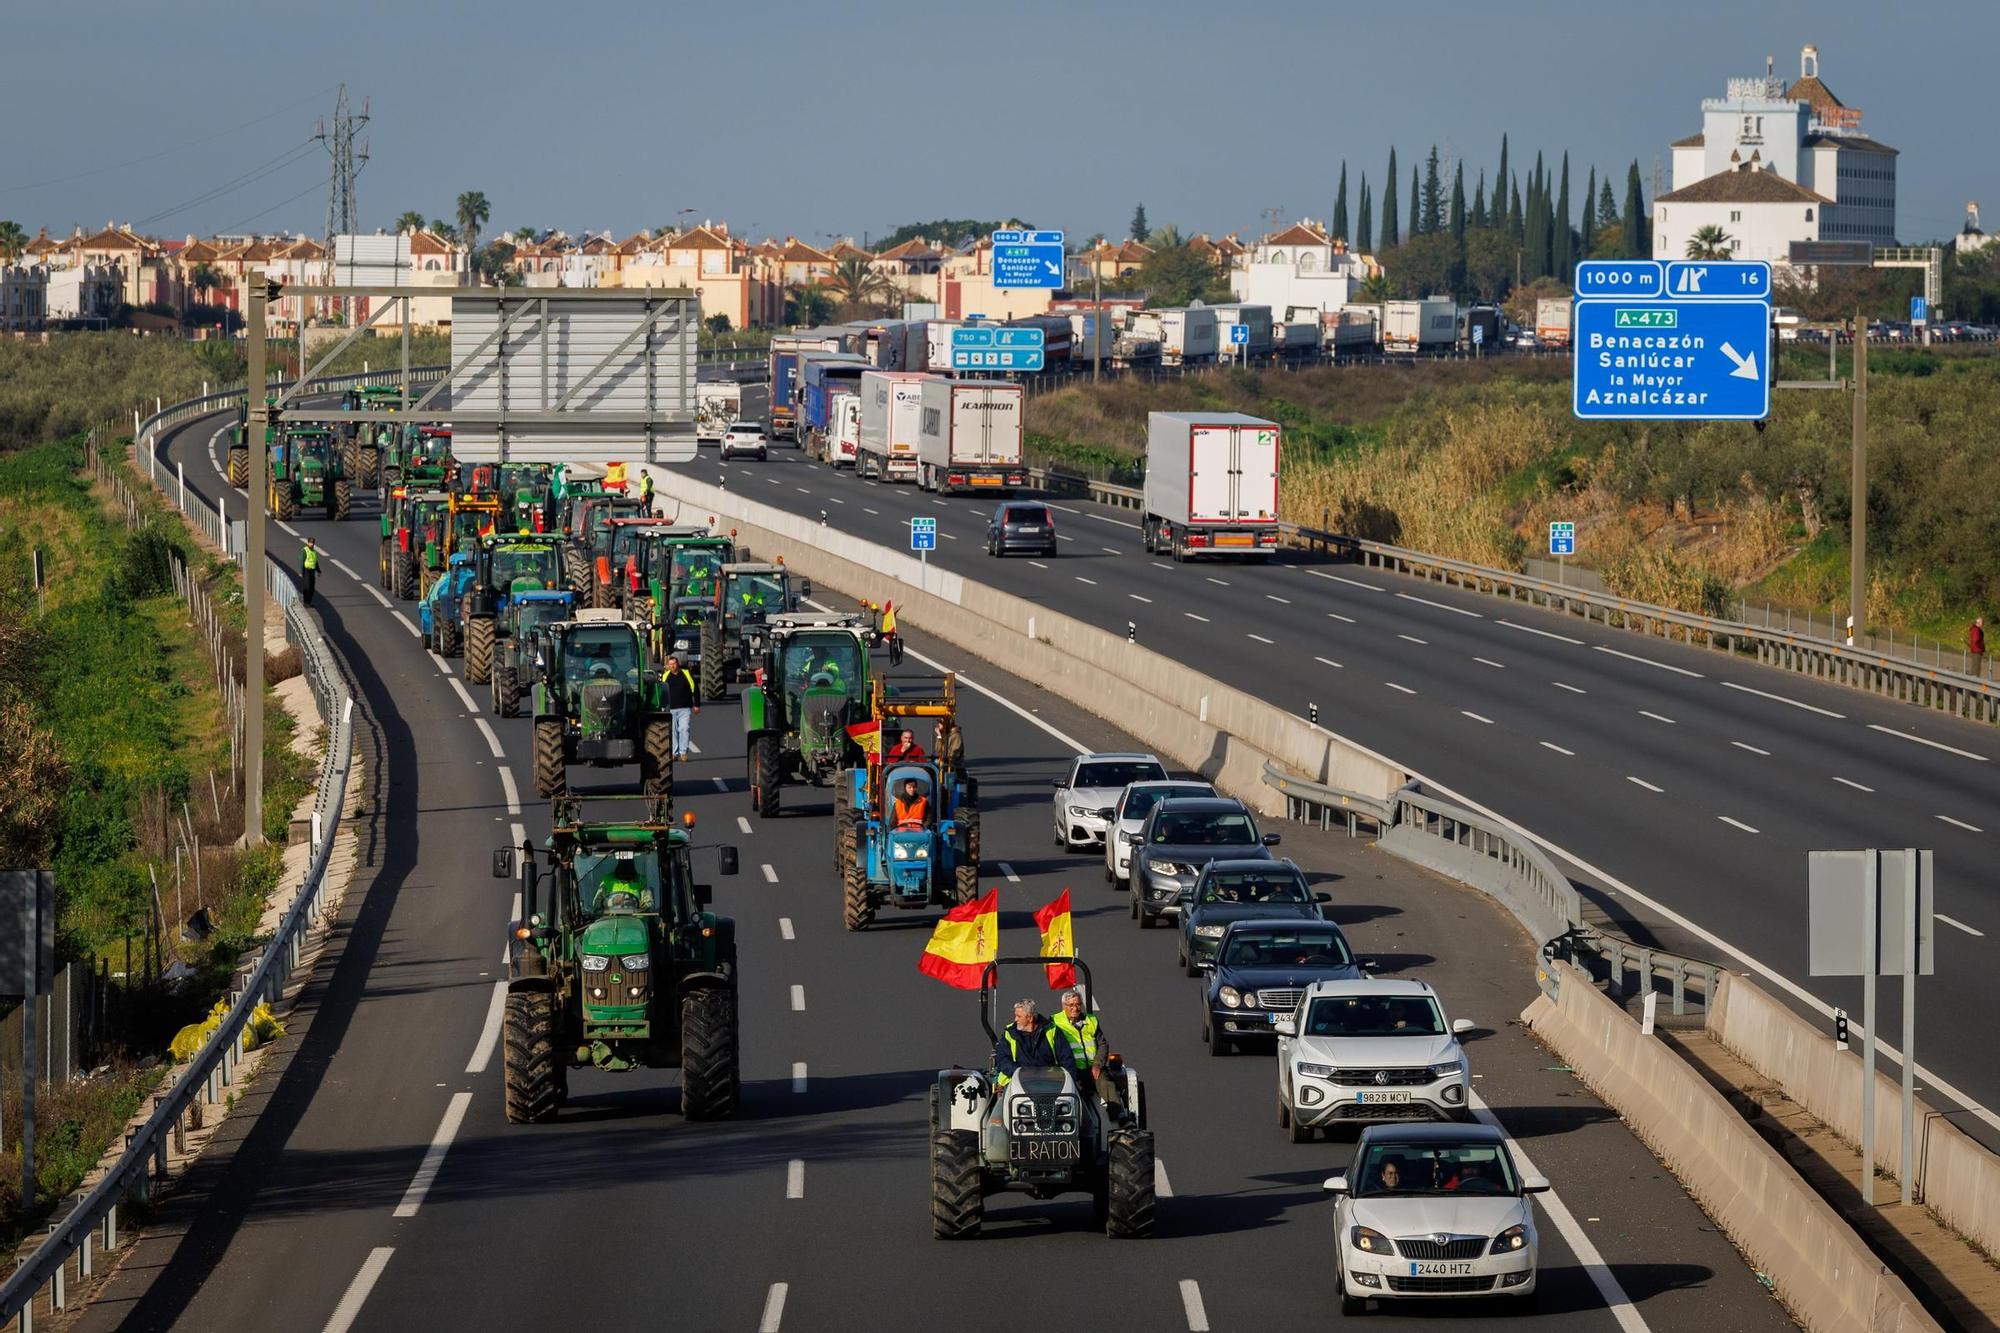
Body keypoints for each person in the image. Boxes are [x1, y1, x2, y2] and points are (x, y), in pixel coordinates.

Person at [1051, 988, 1123, 1112]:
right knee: (1075, 1094)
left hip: (1092, 1069)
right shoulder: (1054, 1022)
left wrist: (1097, 1064)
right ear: (1063, 1006)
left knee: (1107, 1085)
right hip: (1070, 1071)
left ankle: (1120, 1117)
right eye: (1071, 1005)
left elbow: (1103, 1044)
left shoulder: (1091, 1021)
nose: (1075, 1008)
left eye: (1078, 1004)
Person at [992, 999, 1075, 1082]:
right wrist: (1020, 1074)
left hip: (1049, 1083)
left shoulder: (1052, 1030)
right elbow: (1003, 1059)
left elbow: (1067, 1059)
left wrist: (1069, 1080)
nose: (1015, 1019)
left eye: (1019, 1016)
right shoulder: (1009, 1032)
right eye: (1016, 1016)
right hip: (1016, 1082)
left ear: (1030, 1018)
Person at [664, 653, 698, 762]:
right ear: (668, 666)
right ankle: (674, 753)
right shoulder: (665, 676)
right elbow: (662, 692)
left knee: (684, 729)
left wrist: (696, 705)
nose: (672, 666)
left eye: (674, 664)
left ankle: (683, 753)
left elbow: (695, 689)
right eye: (670, 664)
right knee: (673, 731)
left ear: (678, 664)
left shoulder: (686, 674)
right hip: (671, 709)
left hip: (685, 708)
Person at [300, 537, 319, 605]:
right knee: (307, 587)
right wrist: (300, 571)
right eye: (310, 542)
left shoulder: (314, 552)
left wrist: (318, 570)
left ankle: (309, 602)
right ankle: (305, 602)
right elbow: (301, 561)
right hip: (306, 570)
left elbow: (315, 562)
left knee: (311, 588)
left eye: (313, 543)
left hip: (312, 571)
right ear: (308, 543)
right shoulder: (304, 550)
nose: (312, 544)